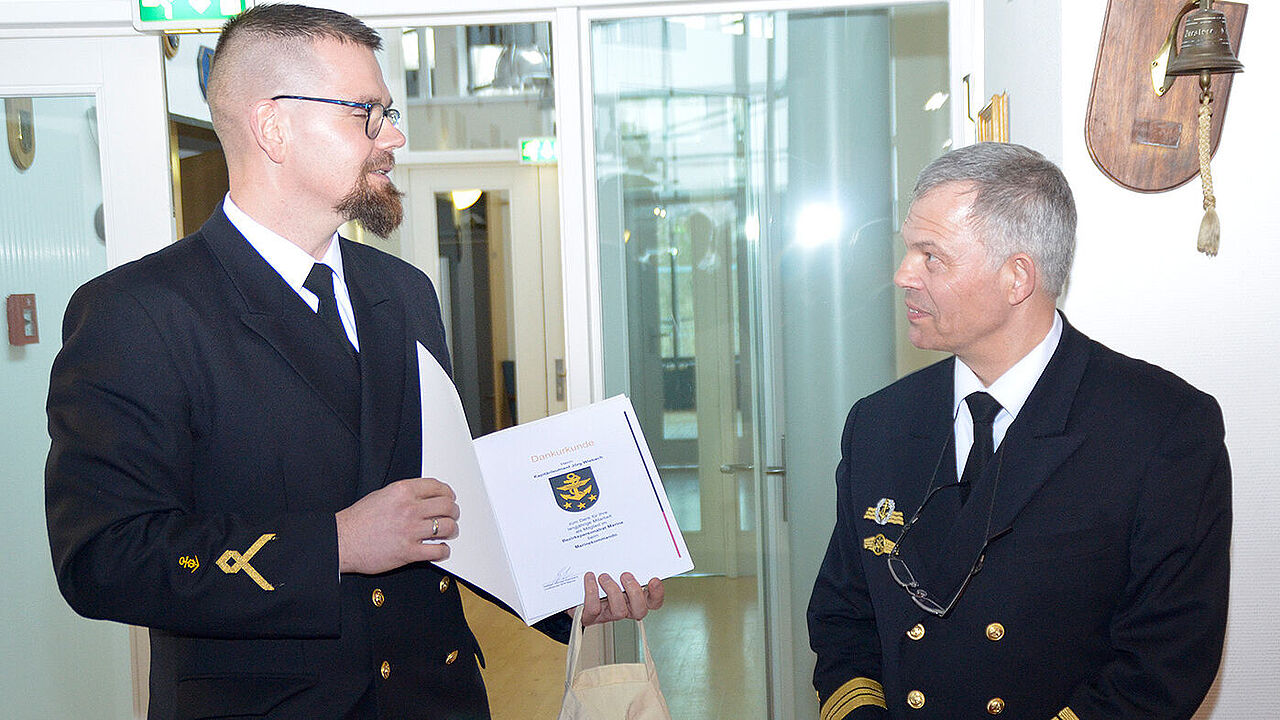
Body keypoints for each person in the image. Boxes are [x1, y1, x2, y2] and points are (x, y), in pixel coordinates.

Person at [45, 5, 661, 719]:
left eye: (388, 112)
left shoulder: (403, 292)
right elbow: (103, 559)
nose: (393, 136)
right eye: (366, 113)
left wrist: (567, 591)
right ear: (272, 127)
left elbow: (446, 507)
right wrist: (333, 544)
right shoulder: (137, 313)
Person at [807, 142, 1230, 720]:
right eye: (909, 250)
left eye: (932, 257)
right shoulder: (880, 423)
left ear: (1017, 278)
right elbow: (842, 619)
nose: (903, 275)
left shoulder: (1161, 428)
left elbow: (1164, 662)